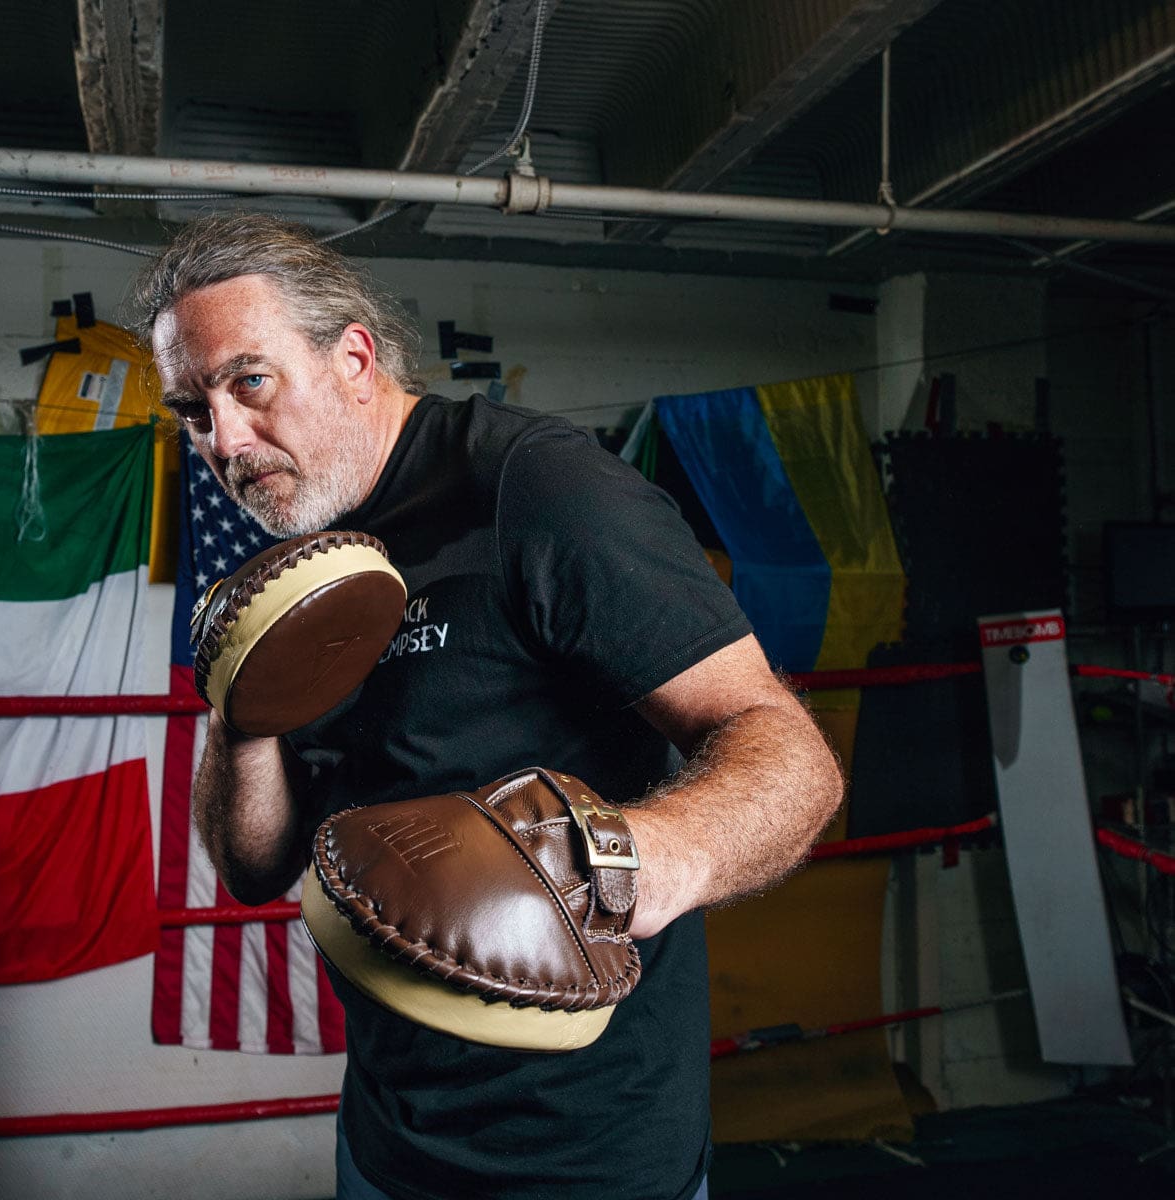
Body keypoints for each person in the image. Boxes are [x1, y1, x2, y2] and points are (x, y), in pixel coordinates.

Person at [131, 212, 843, 1200]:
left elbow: (789, 752)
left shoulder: (535, 488)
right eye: (193, 410)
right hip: (387, 1142)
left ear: (353, 359)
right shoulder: (296, 546)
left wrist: (627, 862)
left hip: (586, 1155)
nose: (227, 442)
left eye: (249, 382)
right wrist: (241, 717)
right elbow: (253, 869)